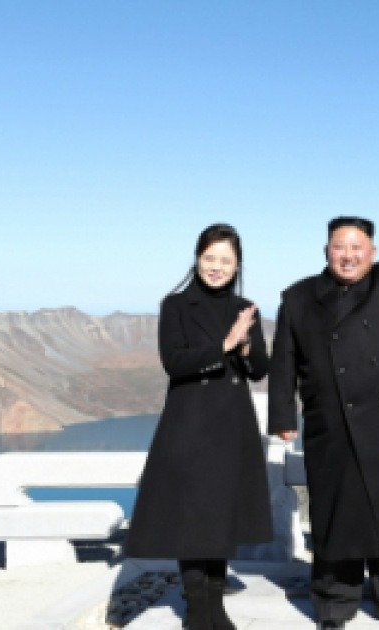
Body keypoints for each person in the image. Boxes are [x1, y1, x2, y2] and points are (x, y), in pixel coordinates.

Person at [268, 196, 379, 629]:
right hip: (330, 425)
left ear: (371, 251)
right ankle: (334, 604)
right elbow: (283, 361)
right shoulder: (298, 298)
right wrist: (281, 415)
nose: (348, 255)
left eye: (357, 247)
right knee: (336, 517)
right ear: (326, 251)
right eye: (339, 247)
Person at [125, 223, 274, 630]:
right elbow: (174, 361)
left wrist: (245, 344)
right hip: (189, 424)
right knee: (193, 520)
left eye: (225, 260)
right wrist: (225, 345)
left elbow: (260, 368)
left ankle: (215, 606)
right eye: (209, 258)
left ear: (237, 264)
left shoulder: (246, 308)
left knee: (219, 518)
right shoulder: (175, 306)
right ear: (197, 258)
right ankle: (196, 608)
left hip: (231, 425)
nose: (216, 267)